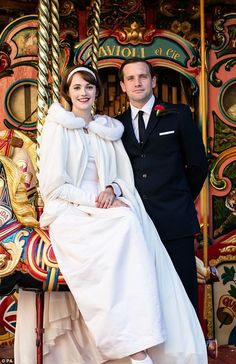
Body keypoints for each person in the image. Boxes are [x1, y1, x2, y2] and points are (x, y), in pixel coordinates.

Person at [14, 65, 208, 364]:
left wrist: (114, 190)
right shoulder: (59, 127)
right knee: (122, 225)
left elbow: (124, 174)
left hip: (122, 205)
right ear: (68, 92)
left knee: (129, 222)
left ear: (98, 92)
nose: (83, 93)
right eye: (77, 87)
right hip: (73, 205)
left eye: (89, 87)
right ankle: (127, 344)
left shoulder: (107, 129)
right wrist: (98, 198)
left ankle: (145, 341)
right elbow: (54, 186)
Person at [116, 58, 208, 313]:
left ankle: (187, 352)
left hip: (175, 219)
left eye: (143, 76)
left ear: (153, 81)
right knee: (141, 292)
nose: (138, 82)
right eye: (131, 78)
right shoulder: (117, 124)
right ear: (123, 86)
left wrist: (180, 198)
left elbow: (198, 165)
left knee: (182, 290)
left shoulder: (178, 115)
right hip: (135, 222)